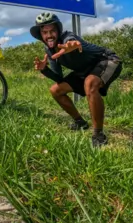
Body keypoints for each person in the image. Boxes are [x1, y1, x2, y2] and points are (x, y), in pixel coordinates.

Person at [29, 12, 123, 148]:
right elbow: (59, 78)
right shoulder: (49, 51)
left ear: (59, 30)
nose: (49, 35)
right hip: (84, 71)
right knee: (56, 90)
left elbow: (73, 41)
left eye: (52, 31)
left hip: (107, 60)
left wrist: (71, 44)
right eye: (45, 32)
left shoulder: (68, 37)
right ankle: (80, 122)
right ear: (41, 35)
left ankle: (98, 134)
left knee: (90, 83)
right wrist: (45, 70)